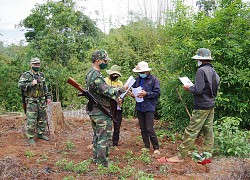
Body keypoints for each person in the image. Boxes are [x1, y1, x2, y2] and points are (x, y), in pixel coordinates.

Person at [167, 48, 220, 163]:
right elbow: (211, 88)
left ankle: (180, 156)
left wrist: (189, 88)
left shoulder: (201, 71)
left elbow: (198, 90)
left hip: (201, 106)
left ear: (200, 59)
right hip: (210, 105)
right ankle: (207, 156)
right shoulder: (213, 71)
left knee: (191, 131)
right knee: (208, 130)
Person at [85, 50, 127, 167]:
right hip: (100, 110)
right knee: (104, 137)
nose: (106, 63)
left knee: (97, 136)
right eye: (104, 61)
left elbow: (102, 88)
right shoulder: (96, 75)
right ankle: (102, 162)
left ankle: (96, 158)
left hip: (95, 109)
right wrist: (122, 89)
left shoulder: (90, 73)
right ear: (98, 61)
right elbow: (106, 90)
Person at [18, 58, 52, 145]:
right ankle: (30, 137)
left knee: (42, 118)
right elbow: (20, 85)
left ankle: (40, 134)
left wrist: (48, 97)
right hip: (31, 100)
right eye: (35, 64)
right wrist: (31, 84)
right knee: (31, 119)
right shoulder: (26, 75)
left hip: (41, 100)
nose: (37, 66)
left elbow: (45, 87)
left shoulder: (41, 75)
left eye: (38, 64)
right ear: (31, 65)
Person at [131, 61, 161, 157]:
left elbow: (157, 93)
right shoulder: (137, 80)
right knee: (143, 127)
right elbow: (134, 90)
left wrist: (146, 94)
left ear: (146, 71)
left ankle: (156, 148)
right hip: (139, 106)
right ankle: (146, 146)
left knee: (149, 128)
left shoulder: (154, 80)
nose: (140, 74)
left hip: (149, 107)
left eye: (142, 72)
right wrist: (133, 94)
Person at [104, 65, 124, 148]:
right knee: (105, 125)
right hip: (107, 106)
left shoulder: (120, 83)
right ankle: (104, 143)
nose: (115, 76)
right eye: (113, 74)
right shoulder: (104, 81)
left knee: (117, 125)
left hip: (118, 107)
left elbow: (122, 94)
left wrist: (121, 99)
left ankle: (115, 143)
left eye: (117, 75)